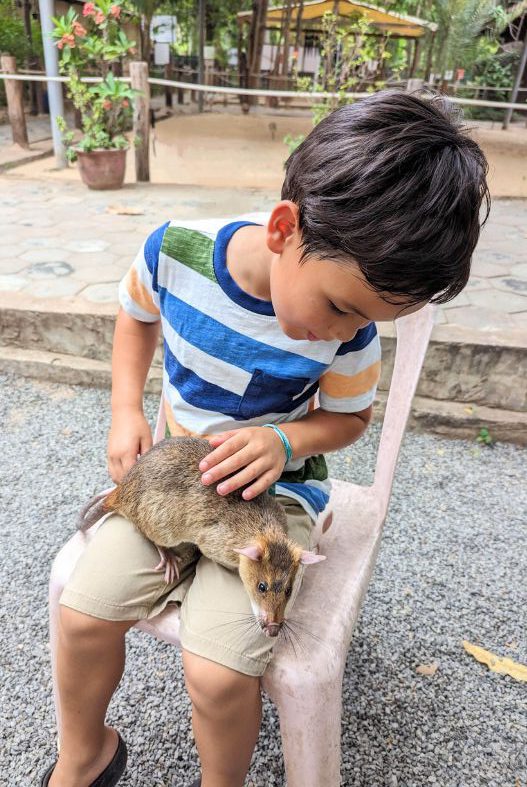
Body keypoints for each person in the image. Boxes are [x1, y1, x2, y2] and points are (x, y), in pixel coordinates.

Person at [42, 90, 489, 787]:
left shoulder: (353, 332)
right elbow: (135, 316)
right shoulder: (174, 252)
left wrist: (282, 441)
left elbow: (348, 420)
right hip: (175, 483)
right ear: (284, 228)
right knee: (81, 616)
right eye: (340, 306)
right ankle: (86, 753)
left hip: (271, 502)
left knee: (217, 674)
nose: (345, 333)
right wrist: (125, 407)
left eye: (367, 321)